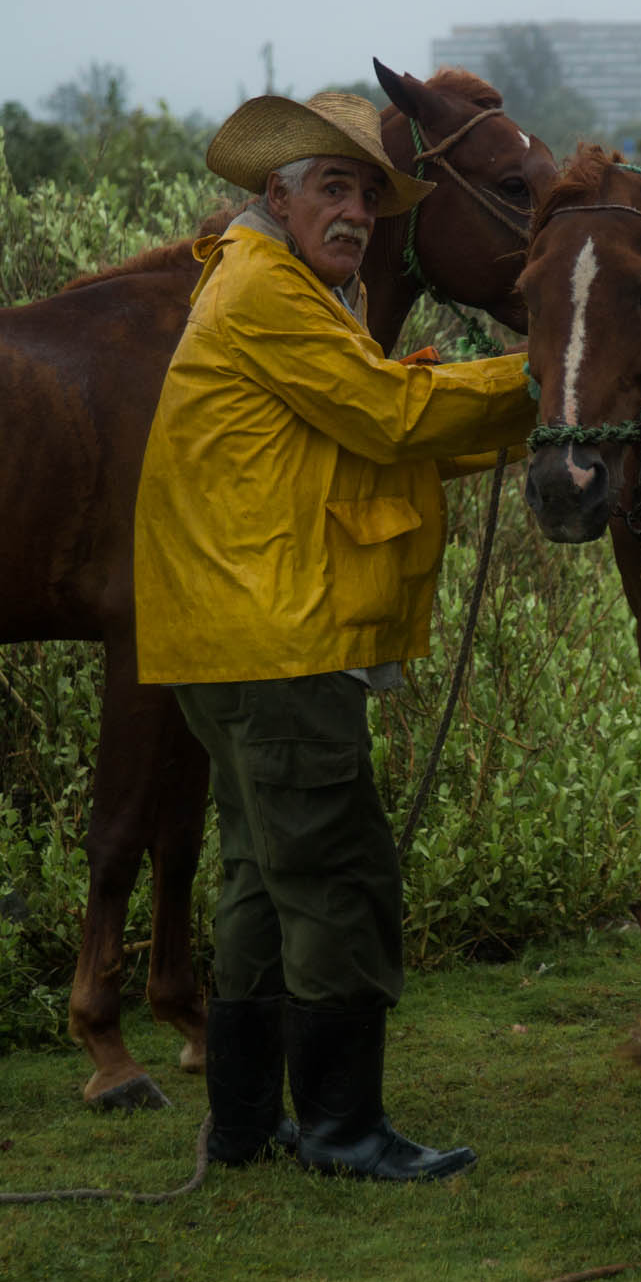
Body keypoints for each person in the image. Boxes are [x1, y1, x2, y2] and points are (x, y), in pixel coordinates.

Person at [133, 89, 538, 1181]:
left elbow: (368, 435)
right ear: (277, 194)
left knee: (262, 878)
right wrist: (545, 377)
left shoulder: (276, 287)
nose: (355, 209)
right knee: (339, 875)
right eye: (332, 185)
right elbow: (391, 417)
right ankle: (343, 1128)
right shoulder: (271, 292)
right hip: (275, 638)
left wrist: (485, 413)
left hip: (232, 637)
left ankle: (241, 1123)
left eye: (367, 191)